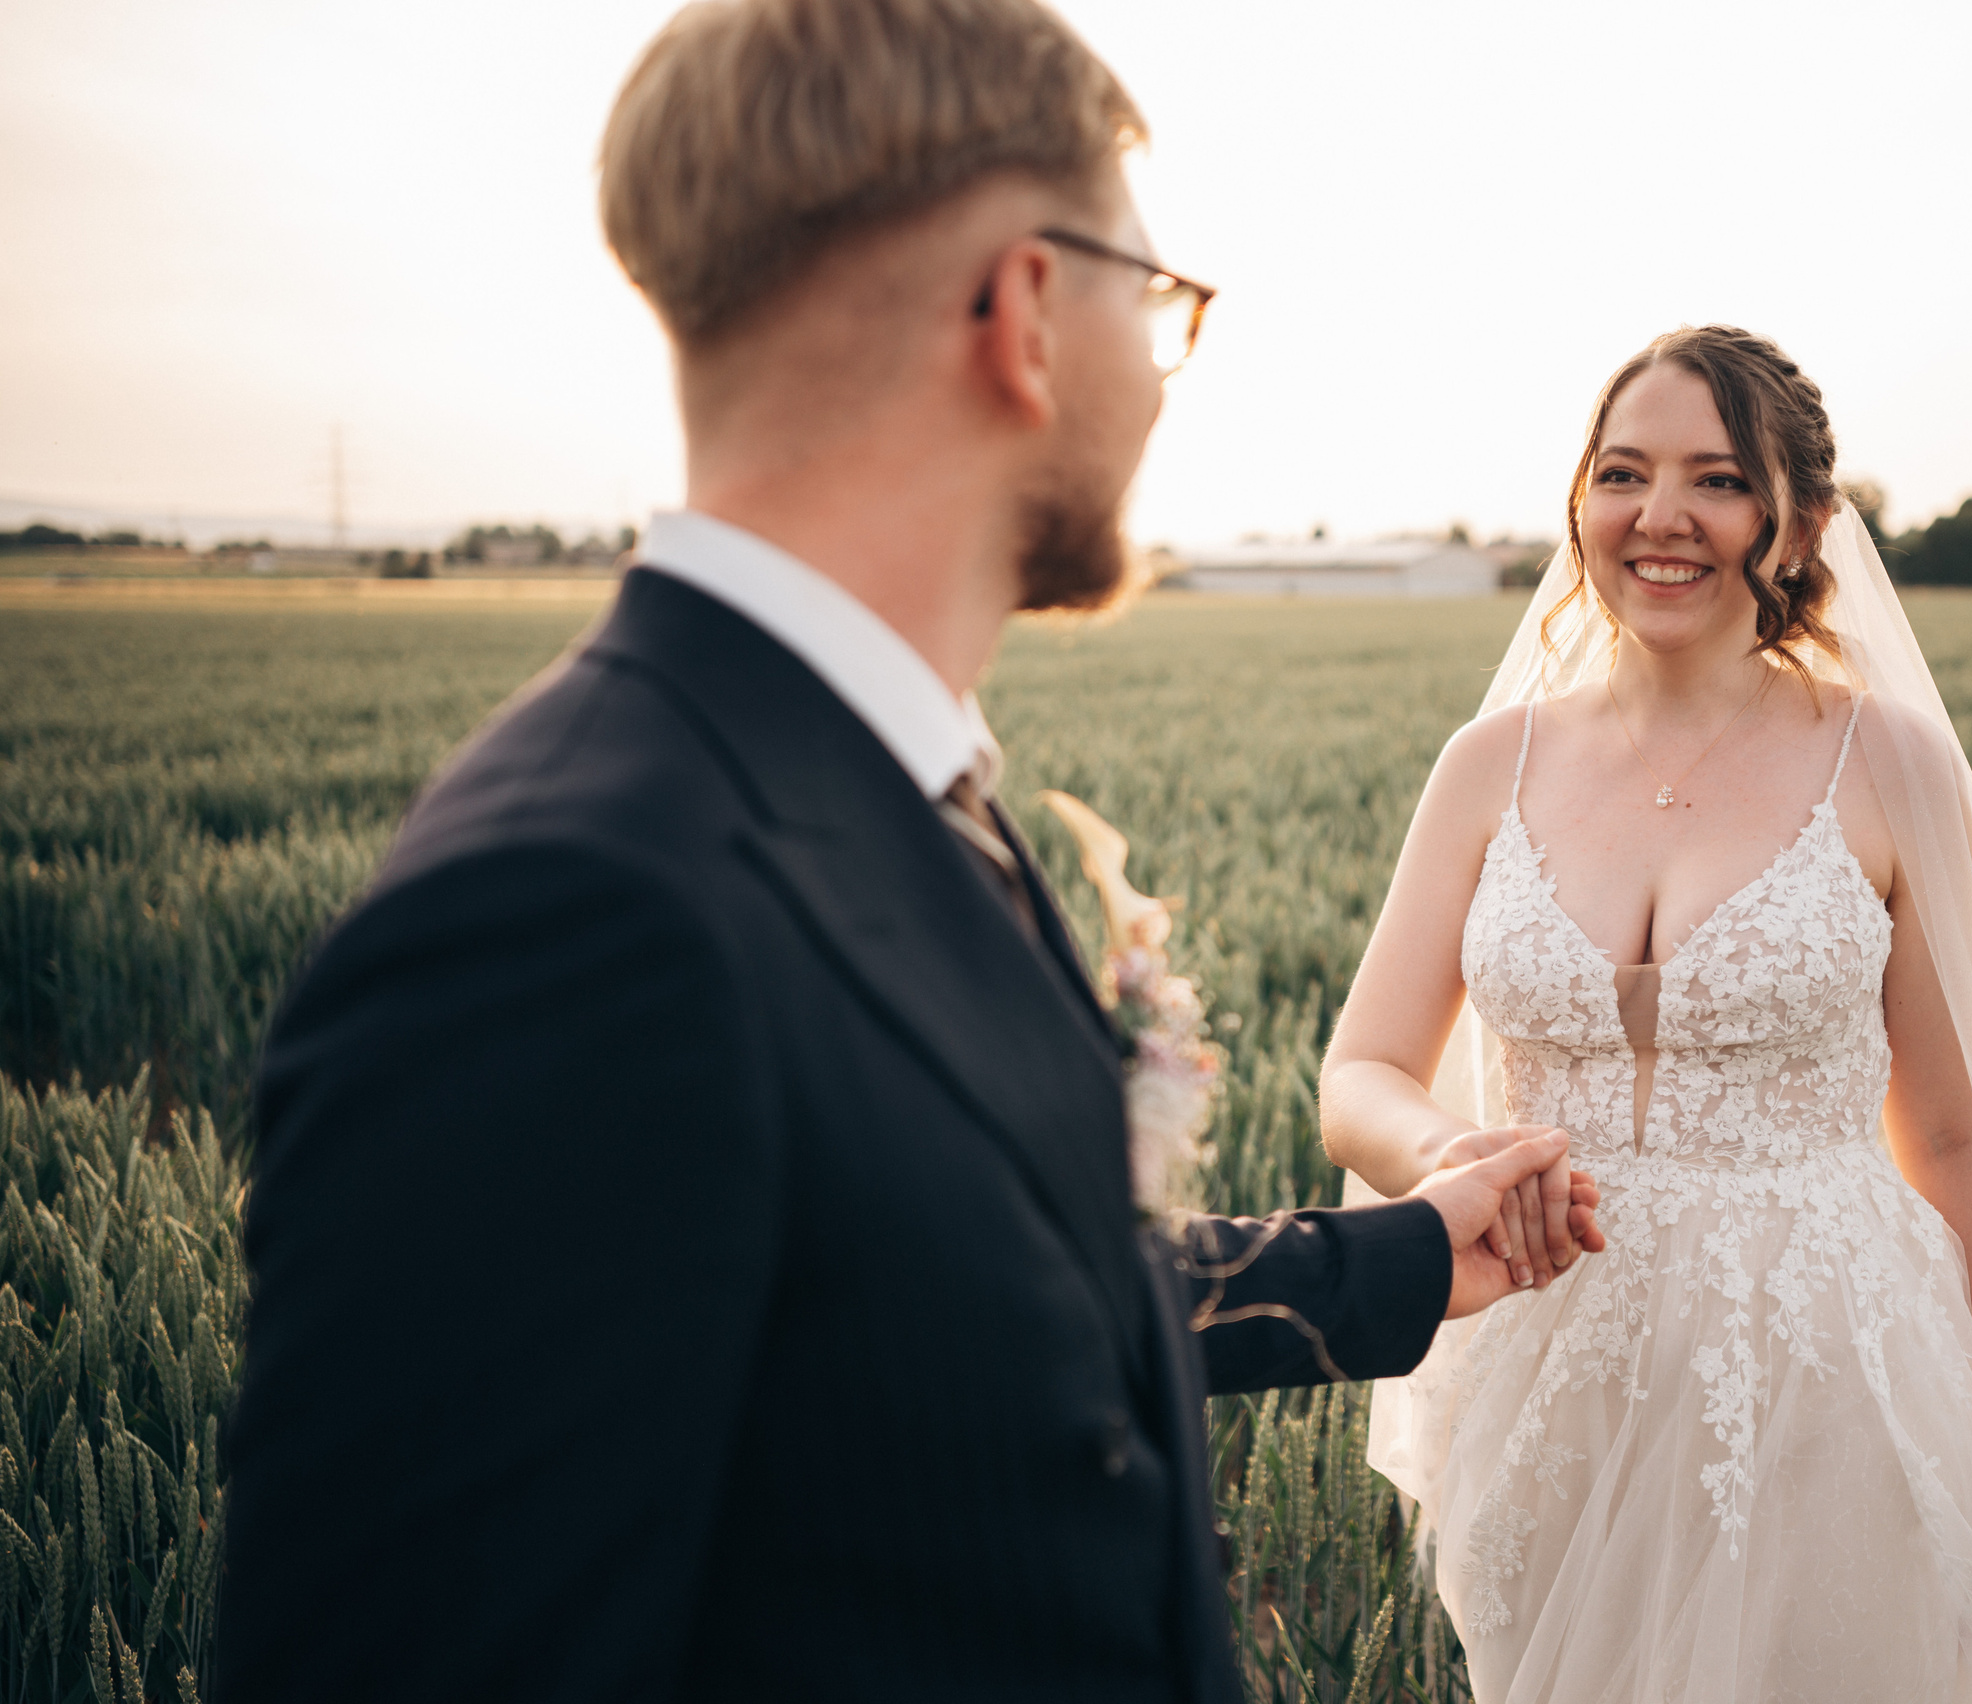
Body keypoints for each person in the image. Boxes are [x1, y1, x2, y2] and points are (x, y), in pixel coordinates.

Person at [213, 2, 1602, 1699]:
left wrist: (1396, 1256)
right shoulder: (568, 923)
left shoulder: (864, 781)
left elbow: (941, 1298)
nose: (1164, 381)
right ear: (1025, 310)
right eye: (1155, 307)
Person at [1321, 326, 1972, 1701]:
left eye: (1715, 480)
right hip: (1549, 1369)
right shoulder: (1489, 767)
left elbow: (1953, 1142)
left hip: (1830, 1366)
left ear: (1802, 521)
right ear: (1580, 505)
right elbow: (1361, 1068)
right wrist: (1446, 1157)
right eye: (1622, 473)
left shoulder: (1888, 761)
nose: (1660, 518)